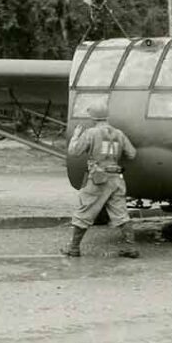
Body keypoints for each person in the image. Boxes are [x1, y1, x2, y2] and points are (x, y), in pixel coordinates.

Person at [62, 101, 139, 258]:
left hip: (98, 178)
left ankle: (74, 248)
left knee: (84, 212)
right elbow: (132, 154)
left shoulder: (91, 133)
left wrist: (75, 137)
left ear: (93, 117)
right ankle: (130, 248)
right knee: (121, 214)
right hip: (116, 179)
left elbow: (74, 151)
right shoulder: (119, 133)